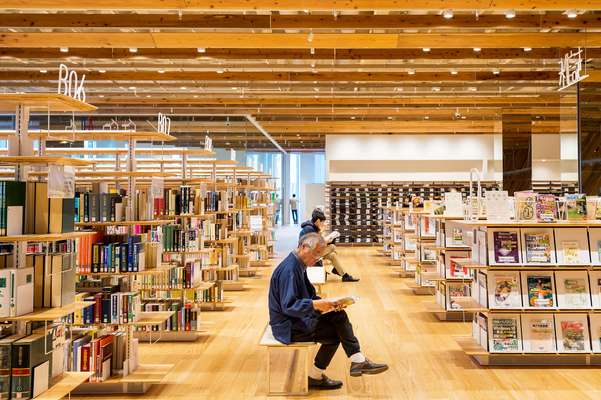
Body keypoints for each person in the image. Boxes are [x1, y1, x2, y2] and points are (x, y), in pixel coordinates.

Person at [268, 233, 388, 390]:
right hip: (287, 327)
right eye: (316, 254)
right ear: (304, 247)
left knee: (338, 316)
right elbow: (289, 306)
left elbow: (309, 296)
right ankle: (351, 362)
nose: (318, 259)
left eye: (320, 254)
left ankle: (351, 363)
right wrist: (317, 305)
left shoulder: (298, 265)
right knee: (336, 331)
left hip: (296, 319)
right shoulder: (290, 270)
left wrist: (329, 304)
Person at [300, 209, 359, 282]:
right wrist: (326, 240)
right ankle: (337, 270)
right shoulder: (309, 229)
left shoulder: (312, 227)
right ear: (318, 221)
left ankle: (344, 275)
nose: (323, 224)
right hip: (307, 256)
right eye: (322, 222)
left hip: (311, 253)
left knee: (332, 255)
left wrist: (323, 236)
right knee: (332, 247)